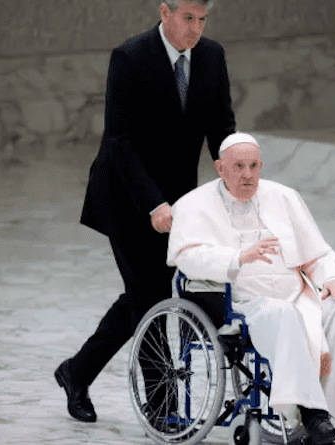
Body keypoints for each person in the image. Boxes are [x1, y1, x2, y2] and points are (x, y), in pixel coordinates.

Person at [54, 0, 235, 423]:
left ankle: (76, 372)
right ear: (165, 11)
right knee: (150, 295)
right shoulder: (130, 57)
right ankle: (164, 406)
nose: (195, 29)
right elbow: (119, 140)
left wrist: (237, 179)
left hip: (178, 201)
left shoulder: (212, 56)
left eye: (203, 19)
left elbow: (221, 126)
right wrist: (152, 202)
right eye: (188, 18)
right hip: (124, 195)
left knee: (142, 294)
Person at [167, 132, 335, 445]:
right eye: (238, 167)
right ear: (220, 168)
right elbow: (185, 257)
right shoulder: (193, 205)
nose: (248, 175)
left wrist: (331, 278)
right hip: (245, 302)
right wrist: (237, 257)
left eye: (254, 166)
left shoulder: (284, 197)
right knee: (282, 314)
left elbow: (317, 253)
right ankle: (312, 415)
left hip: (300, 293)